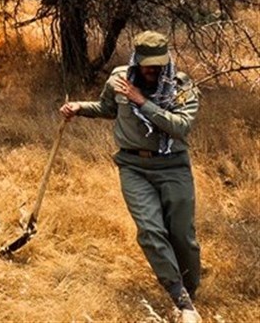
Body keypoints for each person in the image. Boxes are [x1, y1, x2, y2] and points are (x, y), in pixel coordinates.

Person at [60, 31, 202, 323]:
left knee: (182, 236)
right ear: (137, 59)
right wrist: (79, 107)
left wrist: (142, 102)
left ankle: (191, 288)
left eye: (159, 64)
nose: (153, 69)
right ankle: (181, 299)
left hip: (173, 166)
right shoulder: (118, 80)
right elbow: (108, 108)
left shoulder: (181, 86)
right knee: (151, 231)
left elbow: (181, 127)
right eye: (148, 64)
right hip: (133, 167)